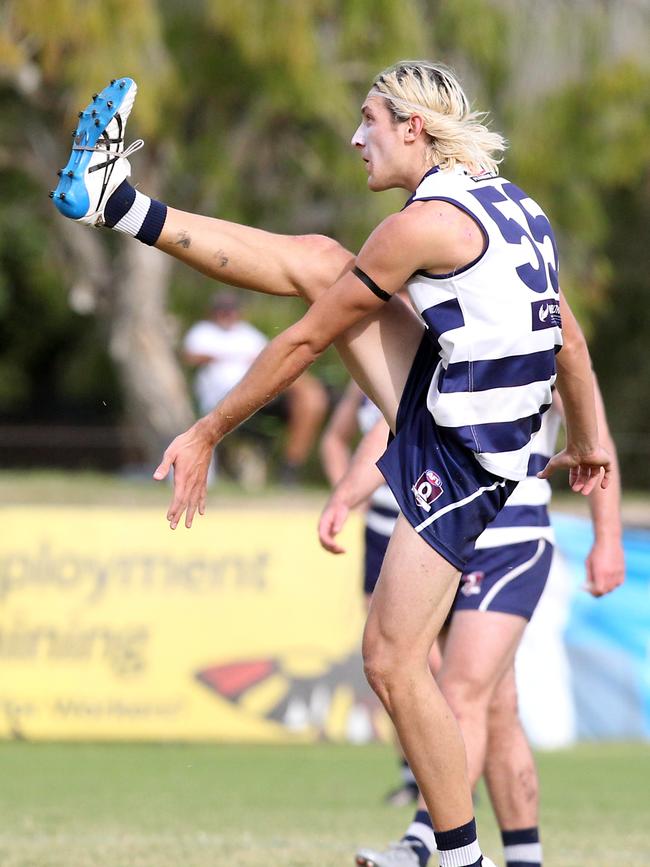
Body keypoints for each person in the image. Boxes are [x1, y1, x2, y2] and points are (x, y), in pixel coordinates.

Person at [52, 63, 612, 867]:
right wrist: (589, 437)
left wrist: (209, 428)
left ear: (413, 128)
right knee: (318, 256)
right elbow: (570, 336)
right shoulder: (516, 204)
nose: (357, 138)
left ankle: (461, 858)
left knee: (390, 658)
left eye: (369, 121)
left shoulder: (422, 227)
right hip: (454, 412)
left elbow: (307, 340)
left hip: (465, 464)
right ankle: (113, 201)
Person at [317, 382, 624, 867]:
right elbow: (391, 428)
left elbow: (594, 434)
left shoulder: (543, 331)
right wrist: (347, 496)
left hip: (511, 538)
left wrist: (607, 538)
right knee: (498, 711)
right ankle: (526, 860)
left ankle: (422, 842)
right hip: (442, 535)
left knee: (459, 691)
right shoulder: (449, 334)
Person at [320, 381, 420, 807]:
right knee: (388, 661)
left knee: (423, 663)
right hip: (379, 528)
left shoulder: (431, 361)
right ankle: (410, 775)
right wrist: (349, 493)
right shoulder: (359, 382)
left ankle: (453, 770)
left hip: (426, 520)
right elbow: (333, 441)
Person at [184, 289, 328, 483]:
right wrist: (231, 357)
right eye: (222, 310)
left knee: (307, 390)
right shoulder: (203, 332)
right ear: (213, 312)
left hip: (260, 395)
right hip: (223, 399)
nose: (227, 314)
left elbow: (274, 361)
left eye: (230, 309)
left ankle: (291, 464)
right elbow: (192, 357)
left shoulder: (249, 335)